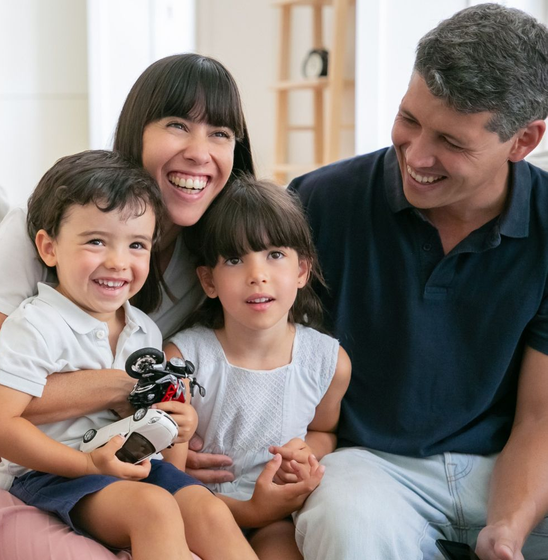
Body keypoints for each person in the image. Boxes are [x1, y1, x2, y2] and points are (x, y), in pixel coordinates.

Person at [285, 4, 548, 559]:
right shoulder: (316, 204)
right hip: (370, 465)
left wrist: (507, 529)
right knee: (345, 522)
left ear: (522, 141)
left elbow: (539, 416)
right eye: (410, 119)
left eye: (452, 142)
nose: (418, 155)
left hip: (509, 464)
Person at [0, 53, 254, 559]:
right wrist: (131, 389)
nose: (199, 152)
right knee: (155, 511)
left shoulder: (162, 303)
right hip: (53, 467)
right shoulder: (43, 233)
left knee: (208, 510)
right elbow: (11, 403)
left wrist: (172, 430)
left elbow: (162, 400)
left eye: (221, 133)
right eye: (178, 124)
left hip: (125, 457)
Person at [163, 175, 351, 559]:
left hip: (277, 516)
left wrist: (305, 452)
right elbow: (166, 473)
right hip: (196, 509)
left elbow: (324, 430)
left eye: (274, 255)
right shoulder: (182, 359)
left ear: (302, 270)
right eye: (235, 259)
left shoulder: (327, 362)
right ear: (209, 280)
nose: (257, 275)